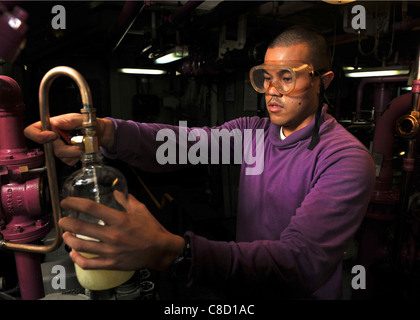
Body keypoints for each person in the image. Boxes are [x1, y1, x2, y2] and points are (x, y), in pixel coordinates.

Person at [24, 25, 376, 299]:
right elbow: (180, 144)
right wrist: (106, 132)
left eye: (287, 77)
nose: (272, 91)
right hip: (243, 291)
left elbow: (299, 262)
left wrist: (175, 251)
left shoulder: (345, 160)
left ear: (323, 82)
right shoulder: (252, 135)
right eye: (266, 78)